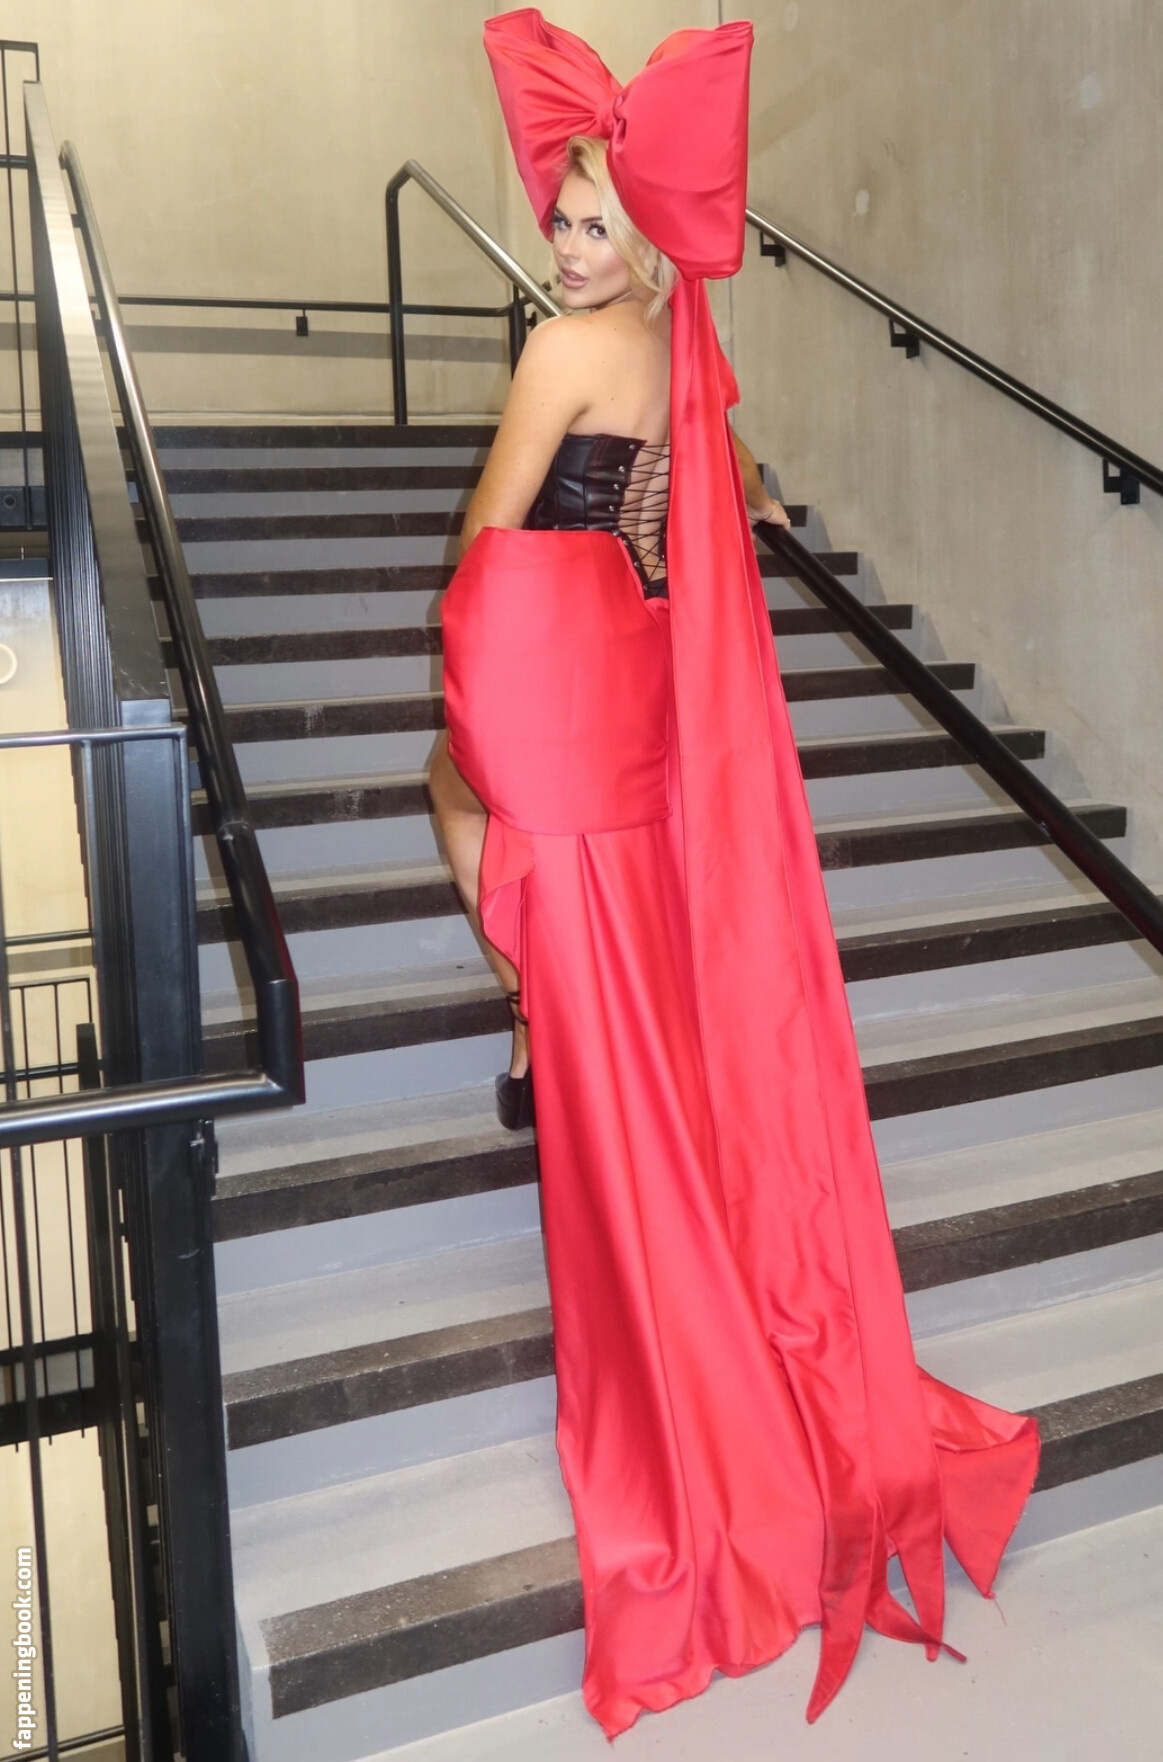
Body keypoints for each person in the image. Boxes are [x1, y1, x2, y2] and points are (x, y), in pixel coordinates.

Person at [432, 9, 1040, 1743]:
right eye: (560, 216)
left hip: (550, 674)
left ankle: (541, 1015)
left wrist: (460, 649)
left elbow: (485, 537)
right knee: (589, 920)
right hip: (626, 690)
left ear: (639, 229)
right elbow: (711, 494)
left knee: (457, 806)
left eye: (592, 220)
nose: (567, 242)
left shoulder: (567, 347)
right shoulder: (674, 343)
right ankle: (552, 1017)